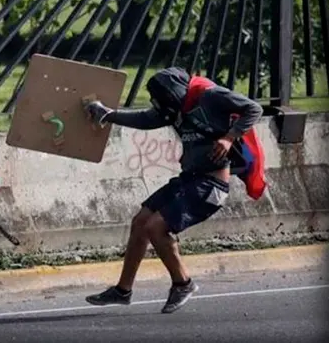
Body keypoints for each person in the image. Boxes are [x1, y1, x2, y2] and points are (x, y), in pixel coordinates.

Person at [82, 67, 262, 314]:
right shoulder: (174, 109)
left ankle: (183, 283)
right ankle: (122, 291)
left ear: (176, 94)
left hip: (210, 185)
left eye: (166, 105)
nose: (166, 112)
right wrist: (108, 115)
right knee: (141, 221)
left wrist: (230, 137)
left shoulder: (209, 96)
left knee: (156, 226)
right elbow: (146, 119)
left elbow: (254, 108)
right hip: (189, 179)